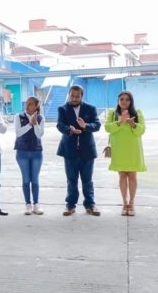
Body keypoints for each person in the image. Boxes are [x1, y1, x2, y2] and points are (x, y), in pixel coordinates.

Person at [56, 85, 101, 216]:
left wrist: (85, 125)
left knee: (87, 180)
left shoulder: (90, 108)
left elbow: (97, 125)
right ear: (69, 94)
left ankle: (90, 205)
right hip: (69, 150)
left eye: (77, 96)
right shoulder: (62, 109)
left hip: (87, 150)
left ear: (82, 96)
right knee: (71, 180)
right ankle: (70, 206)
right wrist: (70, 129)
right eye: (72, 95)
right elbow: (59, 125)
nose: (74, 98)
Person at [104, 91, 146, 216]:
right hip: (119, 149)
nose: (124, 101)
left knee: (132, 176)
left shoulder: (138, 113)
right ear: (118, 100)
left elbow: (142, 130)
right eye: (121, 99)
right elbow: (107, 128)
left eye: (127, 99)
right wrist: (120, 122)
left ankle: (131, 203)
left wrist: (133, 124)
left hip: (133, 148)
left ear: (131, 101)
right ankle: (124, 203)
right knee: (122, 176)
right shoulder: (112, 113)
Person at [14, 96, 45, 215]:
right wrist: (29, 124)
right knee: (26, 179)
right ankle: (28, 204)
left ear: (36, 106)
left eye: (30, 104)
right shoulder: (18, 116)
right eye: (26, 103)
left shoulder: (41, 118)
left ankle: (36, 205)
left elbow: (39, 134)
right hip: (22, 152)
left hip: (37, 152)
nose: (27, 106)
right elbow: (18, 132)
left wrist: (35, 122)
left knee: (35, 179)